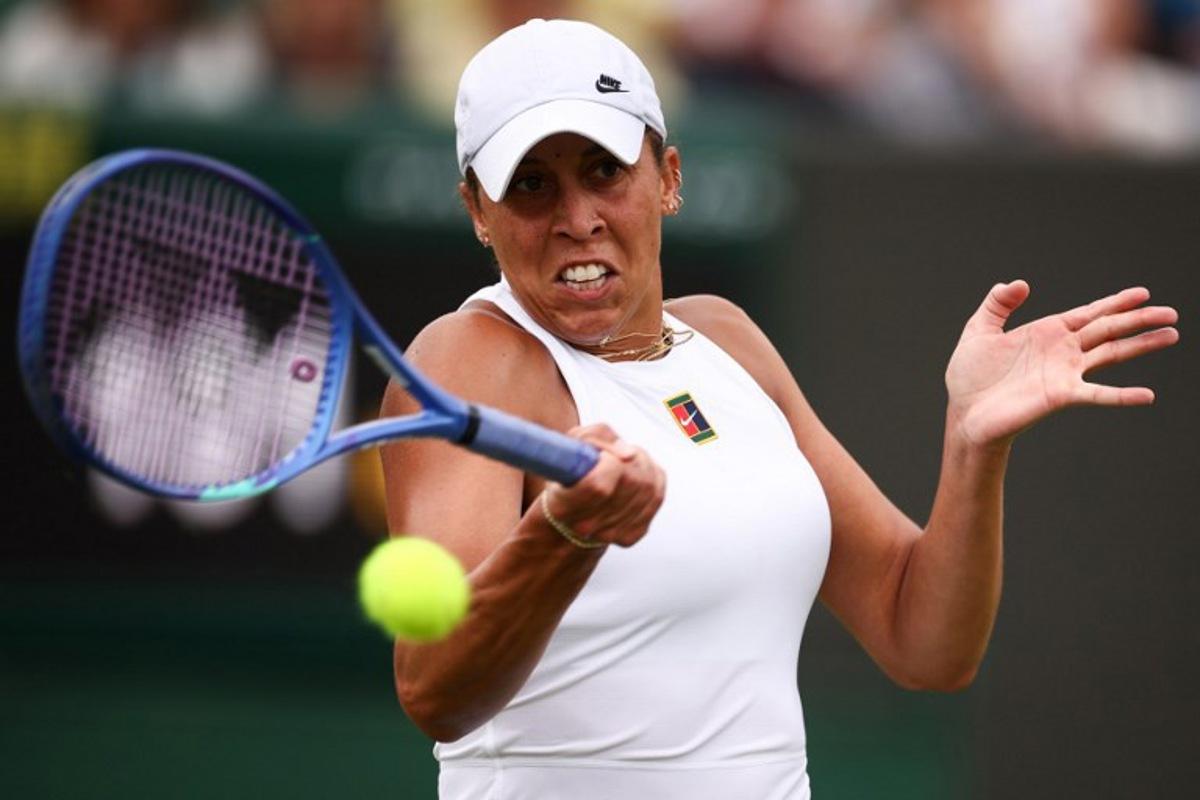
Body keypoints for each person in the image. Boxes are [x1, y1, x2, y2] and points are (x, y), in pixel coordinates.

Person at [380, 19, 1179, 799]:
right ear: (478, 212)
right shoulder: (466, 363)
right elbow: (436, 692)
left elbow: (925, 643)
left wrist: (974, 446)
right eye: (529, 184)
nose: (576, 217)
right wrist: (566, 533)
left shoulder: (728, 340)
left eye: (604, 170)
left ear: (668, 177)